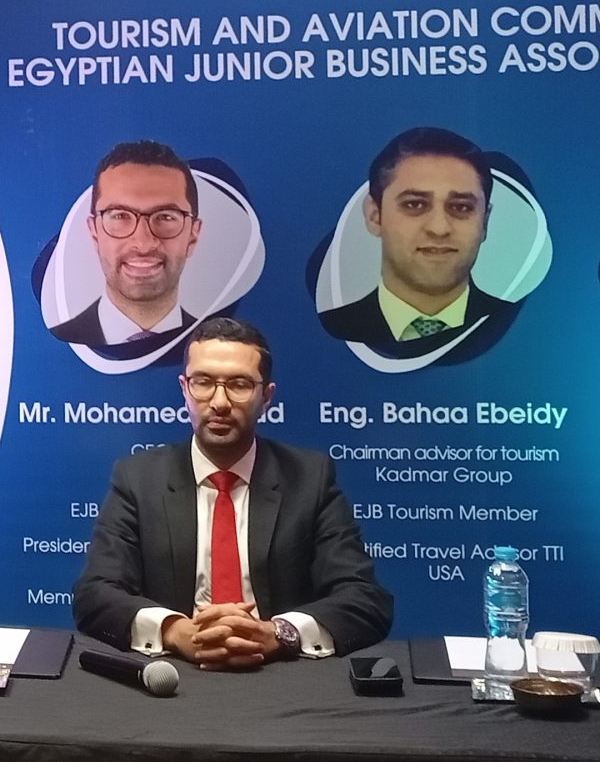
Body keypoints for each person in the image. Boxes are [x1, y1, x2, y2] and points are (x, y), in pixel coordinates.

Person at [73, 316, 391, 666]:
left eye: (239, 384)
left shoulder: (309, 478)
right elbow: (94, 594)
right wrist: (175, 631)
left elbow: (365, 599)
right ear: (184, 389)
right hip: (171, 671)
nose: (220, 402)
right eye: (203, 382)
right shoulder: (138, 478)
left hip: (282, 675)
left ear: (266, 396)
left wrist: (278, 633)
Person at [321, 126, 519, 363]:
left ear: (484, 222)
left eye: (461, 207)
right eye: (414, 204)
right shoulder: (339, 328)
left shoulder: (512, 325)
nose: (439, 228)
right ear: (375, 216)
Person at [49, 140, 206, 361]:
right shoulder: (54, 346)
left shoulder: (218, 348)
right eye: (120, 216)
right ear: (94, 233)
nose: (143, 243)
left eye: (165, 217)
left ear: (193, 235)